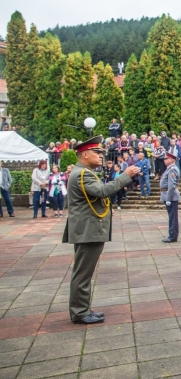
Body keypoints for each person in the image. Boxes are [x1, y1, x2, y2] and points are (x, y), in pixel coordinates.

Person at [64, 136, 140, 324]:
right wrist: (125, 175)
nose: (101, 156)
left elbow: (94, 198)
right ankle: (80, 312)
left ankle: (82, 309)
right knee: (83, 273)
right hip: (88, 230)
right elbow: (103, 191)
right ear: (85, 154)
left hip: (88, 228)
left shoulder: (83, 172)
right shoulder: (83, 174)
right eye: (97, 152)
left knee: (83, 272)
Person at [160, 152, 181, 243]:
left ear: (172, 160)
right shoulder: (169, 169)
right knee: (172, 216)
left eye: (166, 158)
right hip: (167, 194)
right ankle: (172, 234)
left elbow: (171, 185)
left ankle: (172, 235)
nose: (164, 160)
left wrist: (168, 199)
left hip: (171, 196)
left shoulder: (172, 169)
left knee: (173, 217)